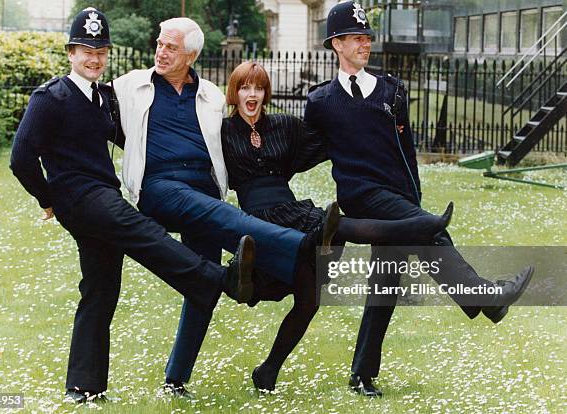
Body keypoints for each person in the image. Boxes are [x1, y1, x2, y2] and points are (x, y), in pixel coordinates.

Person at [9, 8, 256, 404]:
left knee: (101, 289)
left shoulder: (103, 100)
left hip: (102, 192)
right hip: (80, 196)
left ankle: (84, 387)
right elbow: (20, 157)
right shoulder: (51, 97)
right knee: (143, 231)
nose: (94, 58)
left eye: (100, 51)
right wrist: (49, 199)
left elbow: (135, 139)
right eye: (85, 50)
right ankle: (215, 279)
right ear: (70, 52)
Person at [304, 1, 534, 397]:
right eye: (356, 38)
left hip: (396, 196)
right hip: (361, 197)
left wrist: (412, 199)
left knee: (385, 285)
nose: (365, 44)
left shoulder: (392, 91)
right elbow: (305, 151)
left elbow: (406, 153)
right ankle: (486, 297)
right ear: (336, 44)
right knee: (430, 230)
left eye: (367, 37)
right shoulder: (320, 102)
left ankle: (361, 375)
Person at [111, 17, 339, 396]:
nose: (161, 52)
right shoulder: (132, 85)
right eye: (160, 44)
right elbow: (94, 112)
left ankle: (176, 379)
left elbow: (239, 136)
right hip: (162, 187)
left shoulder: (211, 96)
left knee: (202, 284)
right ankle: (303, 243)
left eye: (170, 47)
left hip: (204, 190)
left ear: (191, 55)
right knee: (232, 219)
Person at [221, 61, 455, 392]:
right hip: (257, 218)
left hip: (290, 209)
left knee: (309, 299)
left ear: (266, 94)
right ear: (234, 92)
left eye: (259, 88)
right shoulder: (222, 131)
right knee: (336, 227)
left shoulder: (284, 126)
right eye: (246, 87)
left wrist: (373, 130)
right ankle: (419, 227)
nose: (253, 94)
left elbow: (329, 140)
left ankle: (268, 370)